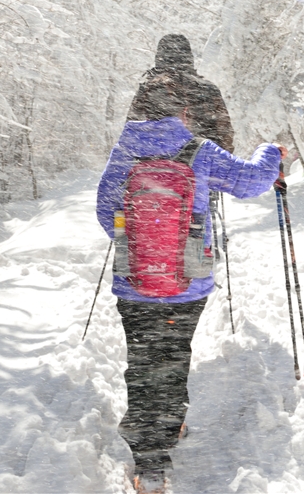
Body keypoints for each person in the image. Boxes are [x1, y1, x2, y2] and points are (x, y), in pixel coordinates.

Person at [97, 73, 282, 492]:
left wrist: (144, 243)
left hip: (135, 283)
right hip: (186, 284)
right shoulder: (200, 150)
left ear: (139, 109)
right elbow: (252, 182)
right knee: (173, 357)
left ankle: (147, 458)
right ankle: (167, 432)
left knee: (143, 363)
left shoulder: (124, 152)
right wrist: (270, 152)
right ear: (184, 111)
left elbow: (107, 214)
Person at [127, 34, 235, 153]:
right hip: (200, 161)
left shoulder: (147, 90)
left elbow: (131, 131)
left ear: (159, 57)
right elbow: (225, 134)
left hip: (152, 164)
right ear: (189, 57)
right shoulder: (207, 89)